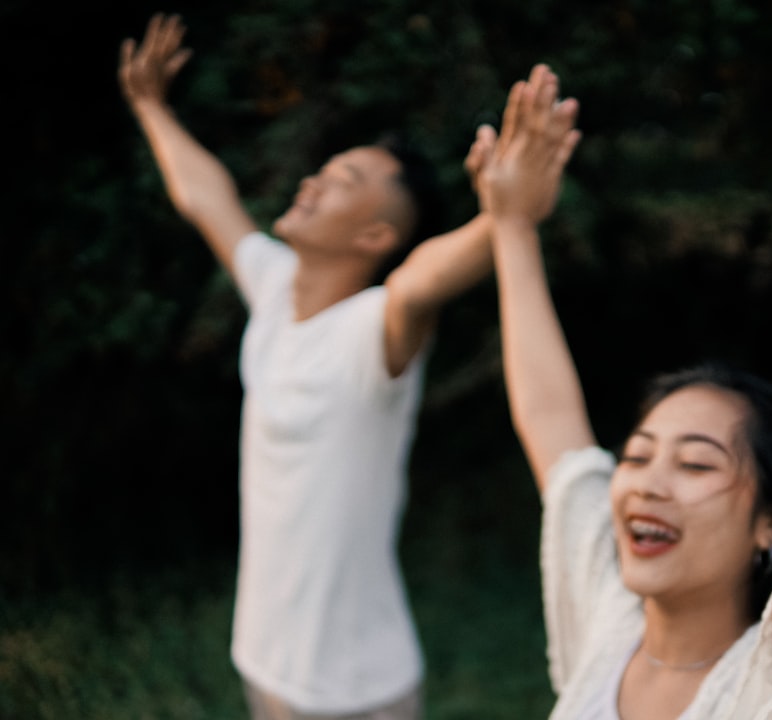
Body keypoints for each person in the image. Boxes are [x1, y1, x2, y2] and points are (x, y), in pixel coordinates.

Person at [476, 63, 772, 719]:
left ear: (770, 523)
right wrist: (510, 226)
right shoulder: (607, 611)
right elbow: (548, 415)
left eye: (696, 463)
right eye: (638, 454)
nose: (648, 483)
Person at [118, 12, 512, 720]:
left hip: (362, 690)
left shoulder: (372, 334)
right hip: (265, 659)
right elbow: (208, 196)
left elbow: (422, 280)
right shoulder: (273, 287)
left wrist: (506, 217)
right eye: (322, 170)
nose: (310, 183)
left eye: (342, 180)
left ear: (374, 235)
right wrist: (150, 106)